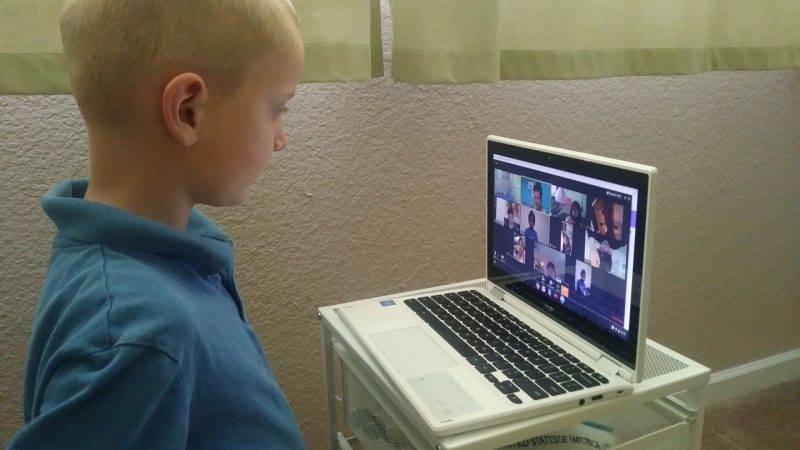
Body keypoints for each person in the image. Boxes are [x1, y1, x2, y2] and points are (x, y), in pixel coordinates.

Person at [8, 1, 306, 449]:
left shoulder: (162, 259)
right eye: (277, 108)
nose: (281, 138)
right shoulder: (139, 335)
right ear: (188, 110)